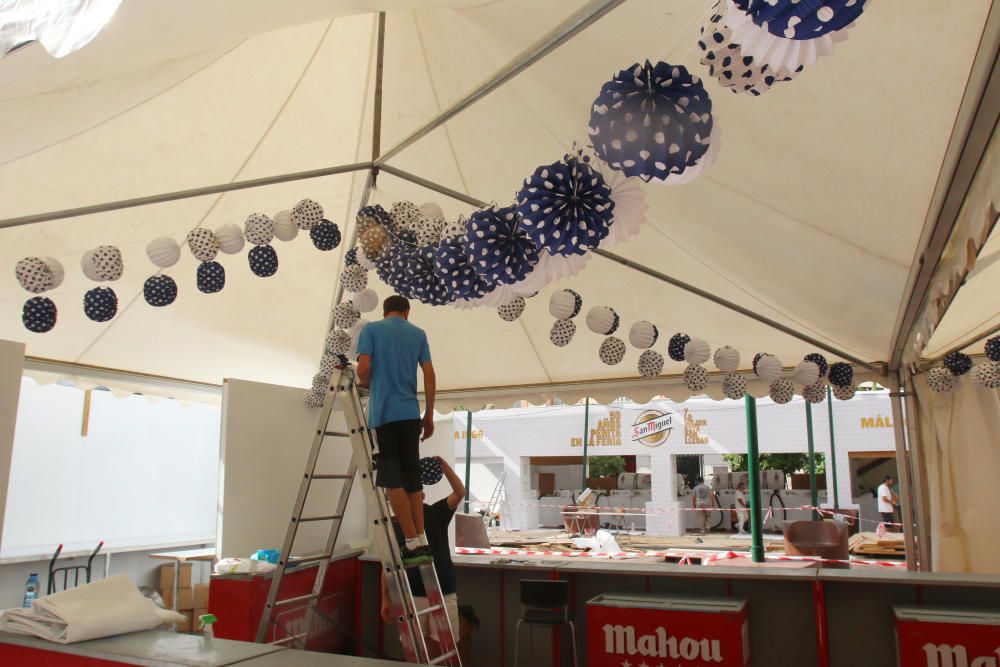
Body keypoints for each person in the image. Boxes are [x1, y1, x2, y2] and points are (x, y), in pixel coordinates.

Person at [357, 295, 436, 564]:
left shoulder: (371, 330)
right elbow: (429, 373)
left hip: (384, 414)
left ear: (384, 311)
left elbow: (364, 367)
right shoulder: (418, 334)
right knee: (413, 481)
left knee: (392, 480)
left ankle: (412, 543)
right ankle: (422, 538)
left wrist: (366, 380)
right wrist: (429, 414)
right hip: (411, 415)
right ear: (407, 312)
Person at [382, 456, 466, 657]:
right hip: (411, 594)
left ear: (422, 494)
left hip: (443, 590)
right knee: (414, 648)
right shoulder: (394, 524)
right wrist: (385, 599)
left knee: (447, 648)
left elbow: (460, 492)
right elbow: (387, 565)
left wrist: (445, 469)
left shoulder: (436, 513)